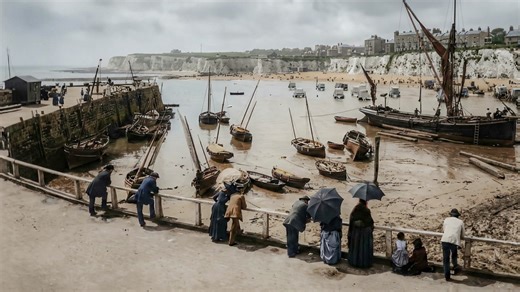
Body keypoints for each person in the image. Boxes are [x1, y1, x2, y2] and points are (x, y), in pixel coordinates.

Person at [347, 199, 374, 268]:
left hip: (356, 233)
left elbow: (351, 221)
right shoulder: (366, 210)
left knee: (356, 247)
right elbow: (370, 222)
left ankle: (354, 262)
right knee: (364, 248)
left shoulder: (354, 210)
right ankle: (364, 263)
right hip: (364, 233)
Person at [441, 208, 465, 281]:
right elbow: (463, 234)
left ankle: (447, 275)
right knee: (454, 256)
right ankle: (455, 267)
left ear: (451, 215)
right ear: (458, 216)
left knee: (446, 259)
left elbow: (444, 229)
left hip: (445, 239)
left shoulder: (446, 219)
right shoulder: (461, 222)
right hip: (454, 241)